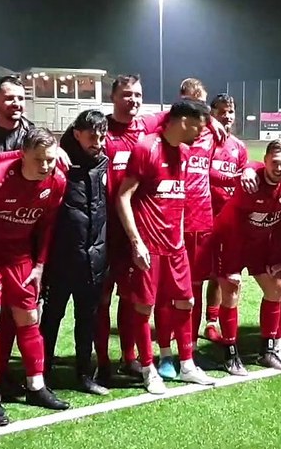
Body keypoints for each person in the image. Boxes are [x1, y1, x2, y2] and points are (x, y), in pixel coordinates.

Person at [0, 128, 69, 424]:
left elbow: (46, 226)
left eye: (50, 159)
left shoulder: (57, 181)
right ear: (22, 154)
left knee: (29, 320)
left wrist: (40, 265)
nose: (46, 166)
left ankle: (36, 386)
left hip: (22, 259)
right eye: (39, 159)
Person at [114, 99, 216, 392]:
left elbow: (178, 198)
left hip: (175, 246)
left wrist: (180, 237)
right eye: (199, 125)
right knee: (144, 307)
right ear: (184, 121)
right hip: (149, 246)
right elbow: (123, 197)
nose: (201, 133)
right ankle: (148, 370)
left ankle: (186, 365)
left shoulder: (184, 152)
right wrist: (136, 242)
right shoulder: (147, 147)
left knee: (186, 302)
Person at [41, 109, 111, 395]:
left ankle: (85, 374)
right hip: (61, 260)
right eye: (92, 135)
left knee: (87, 319)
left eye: (102, 135)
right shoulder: (58, 164)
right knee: (51, 318)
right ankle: (40, 374)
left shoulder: (105, 164)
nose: (97, 141)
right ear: (76, 134)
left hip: (94, 259)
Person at [217, 141, 281, 372]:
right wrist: (232, 267)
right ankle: (230, 352)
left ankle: (267, 350)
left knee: (276, 289)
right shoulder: (250, 182)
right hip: (232, 242)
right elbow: (233, 225)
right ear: (264, 160)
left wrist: (275, 256)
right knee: (231, 291)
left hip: (259, 245)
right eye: (274, 163)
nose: (279, 168)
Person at [96, 75, 150, 374]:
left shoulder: (148, 129)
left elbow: (185, 113)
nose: (133, 100)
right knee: (102, 297)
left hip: (137, 228)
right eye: (127, 94)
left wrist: (214, 122)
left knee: (131, 297)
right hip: (104, 229)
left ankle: (129, 357)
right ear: (113, 96)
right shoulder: (100, 130)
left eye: (138, 95)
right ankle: (102, 361)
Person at [199, 94, 248, 343]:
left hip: (228, 221)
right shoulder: (204, 143)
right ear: (212, 113)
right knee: (198, 275)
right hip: (201, 218)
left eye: (230, 111)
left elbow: (242, 183)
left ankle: (212, 321)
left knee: (222, 275)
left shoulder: (239, 147)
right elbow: (201, 176)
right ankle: (185, 328)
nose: (227, 116)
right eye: (222, 111)